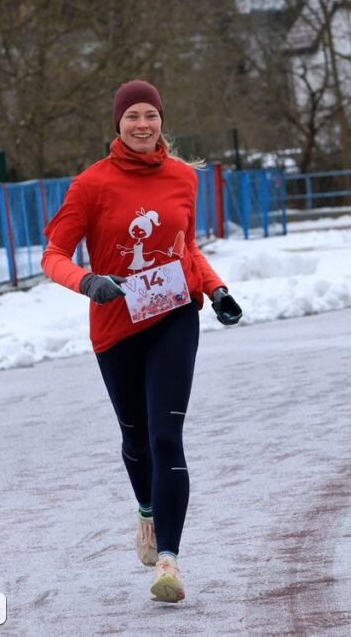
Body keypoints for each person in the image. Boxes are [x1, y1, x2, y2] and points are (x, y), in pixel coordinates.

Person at [41, 80, 243, 603]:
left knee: (165, 439)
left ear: (161, 122)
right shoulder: (90, 185)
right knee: (135, 439)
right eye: (132, 116)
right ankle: (147, 513)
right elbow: (53, 256)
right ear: (117, 124)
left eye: (150, 115)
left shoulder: (181, 177)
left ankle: (169, 563)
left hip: (175, 316)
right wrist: (88, 281)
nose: (142, 125)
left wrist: (215, 288)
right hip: (116, 327)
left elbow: (186, 247)